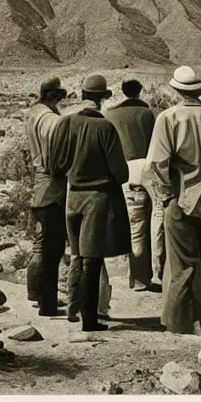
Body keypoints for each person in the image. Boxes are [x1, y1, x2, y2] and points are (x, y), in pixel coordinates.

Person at [144, 66, 201, 337]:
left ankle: (184, 324)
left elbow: (157, 163)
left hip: (182, 200)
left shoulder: (169, 118)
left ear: (177, 91)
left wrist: (167, 192)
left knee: (183, 266)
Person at [49, 73, 131, 332]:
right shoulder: (104, 127)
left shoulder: (66, 123)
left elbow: (55, 166)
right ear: (102, 98)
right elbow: (122, 173)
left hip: (73, 199)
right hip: (97, 199)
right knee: (92, 262)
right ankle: (90, 319)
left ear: (83, 95)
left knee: (77, 256)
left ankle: (75, 308)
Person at [106, 79, 162, 290]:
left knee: (135, 225)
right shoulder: (149, 114)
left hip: (124, 175)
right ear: (140, 92)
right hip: (148, 173)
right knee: (154, 224)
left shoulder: (111, 115)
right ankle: (154, 272)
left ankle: (138, 277)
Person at [25, 77, 68, 316]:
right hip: (51, 185)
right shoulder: (50, 119)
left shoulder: (34, 113)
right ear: (52, 96)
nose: (60, 102)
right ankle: (47, 303)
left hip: (40, 183)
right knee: (50, 248)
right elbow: (54, 156)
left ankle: (37, 293)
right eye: (59, 98)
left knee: (41, 244)